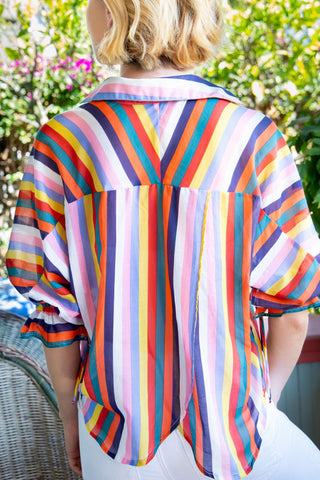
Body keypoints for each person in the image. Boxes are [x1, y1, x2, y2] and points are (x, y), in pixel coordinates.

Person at [6, 0, 320, 479]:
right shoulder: (251, 139)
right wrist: (264, 401)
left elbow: (55, 313)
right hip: (234, 422)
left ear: (114, 12)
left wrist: (71, 421)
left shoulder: (62, 145)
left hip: (112, 433)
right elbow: (294, 309)